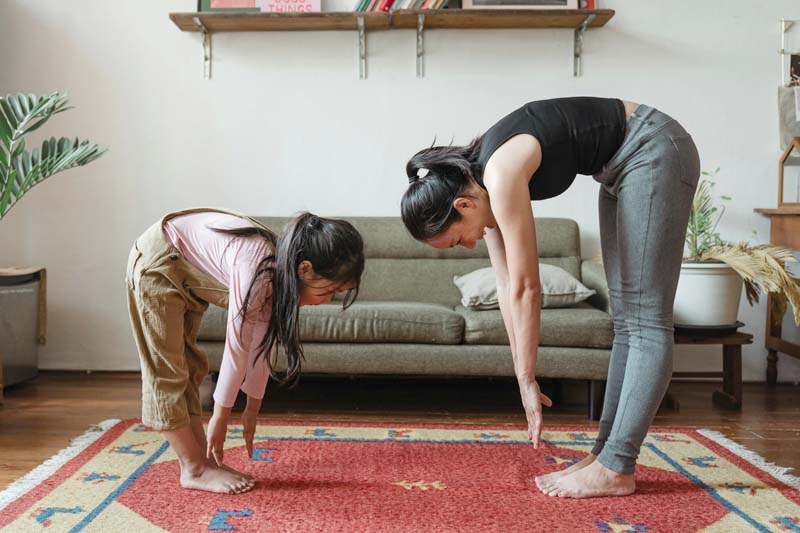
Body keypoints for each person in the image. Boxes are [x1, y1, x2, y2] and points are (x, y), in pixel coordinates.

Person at [400, 97, 700, 498]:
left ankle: (617, 467)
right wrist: (520, 372)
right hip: (618, 168)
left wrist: (527, 378)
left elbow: (528, 288)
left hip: (653, 148)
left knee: (645, 319)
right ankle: (605, 457)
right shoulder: (481, 187)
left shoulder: (500, 175)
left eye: (457, 239)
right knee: (628, 322)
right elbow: (506, 285)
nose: (467, 245)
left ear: (463, 205)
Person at [126, 208, 364, 494]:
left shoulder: (278, 276)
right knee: (166, 371)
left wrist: (252, 409)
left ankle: (202, 463)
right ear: (305, 269)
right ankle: (195, 468)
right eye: (330, 291)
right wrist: (220, 416)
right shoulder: (258, 268)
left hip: (184, 271)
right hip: (159, 264)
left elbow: (259, 346)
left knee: (190, 367)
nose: (326, 301)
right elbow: (237, 346)